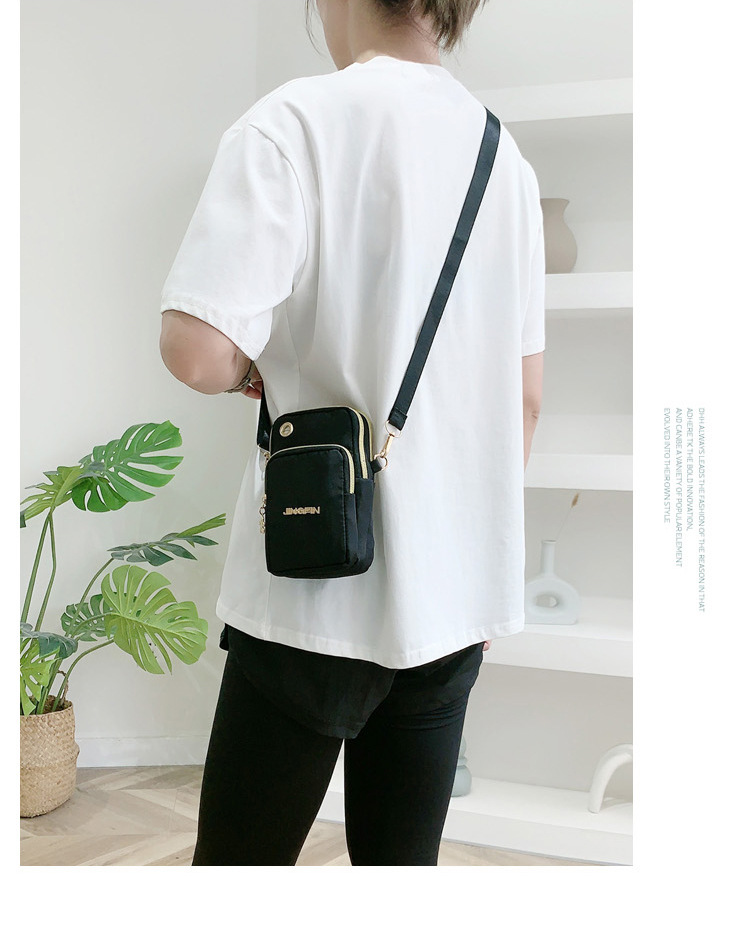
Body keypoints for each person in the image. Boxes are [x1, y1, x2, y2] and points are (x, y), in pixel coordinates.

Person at [159, 0, 544, 866]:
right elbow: (524, 397)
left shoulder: (292, 123)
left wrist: (247, 369)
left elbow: (196, 349)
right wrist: (482, 573)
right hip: (447, 602)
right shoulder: (503, 159)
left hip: (310, 585)